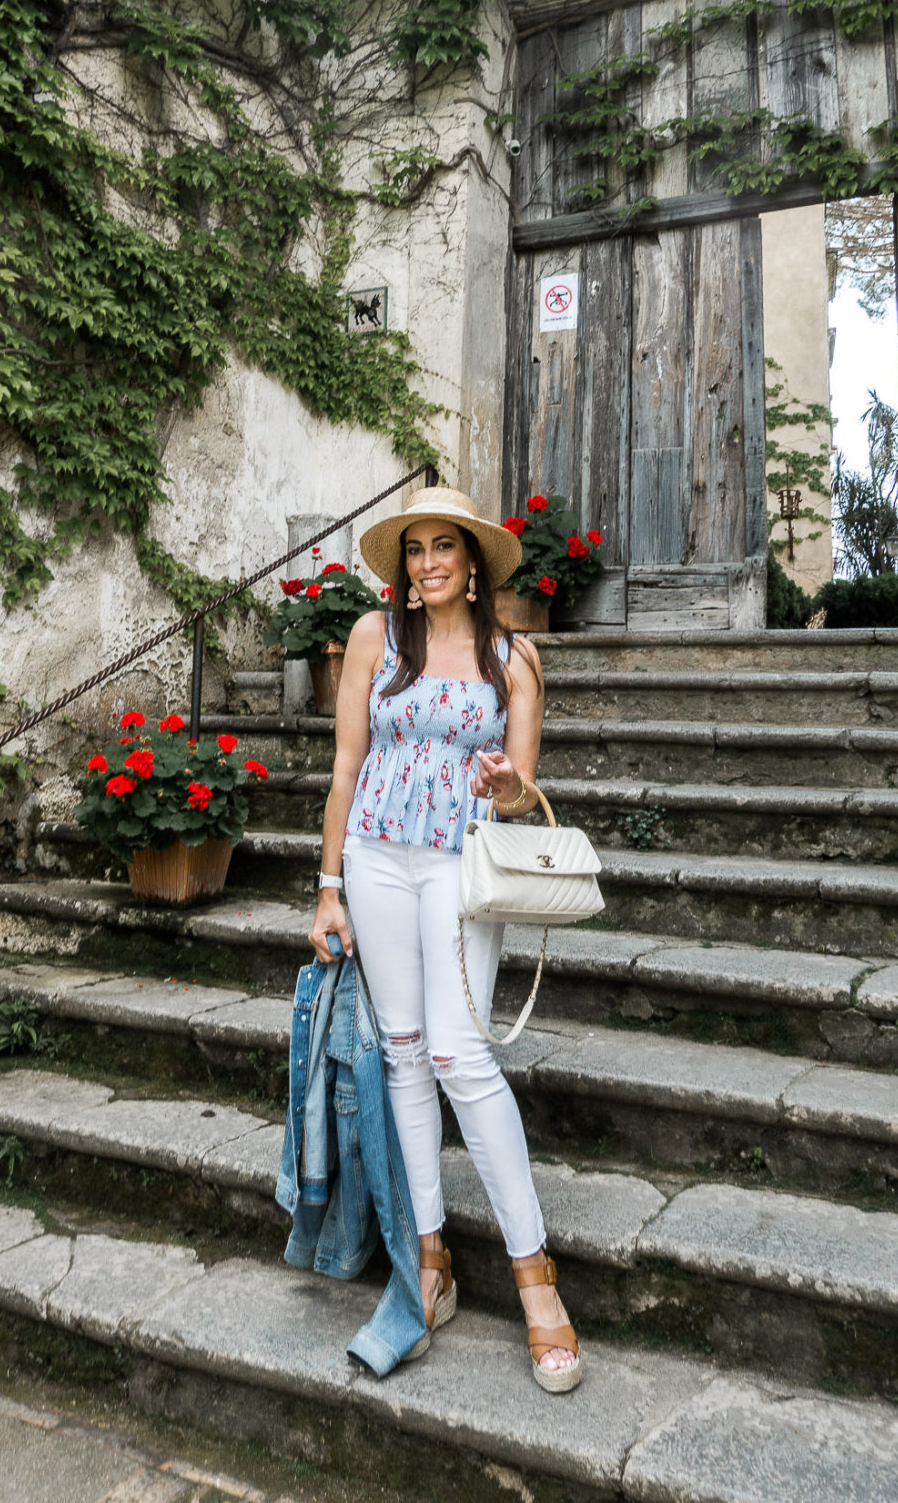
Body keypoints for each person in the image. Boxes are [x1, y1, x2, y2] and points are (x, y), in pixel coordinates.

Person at [307, 485, 582, 1392]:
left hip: (460, 869)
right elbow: (347, 765)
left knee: (462, 1059)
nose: (424, 565)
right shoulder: (370, 640)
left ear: (473, 564)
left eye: (442, 549)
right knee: (401, 1052)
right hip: (378, 860)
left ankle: (535, 1277)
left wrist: (502, 782)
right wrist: (328, 888)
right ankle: (428, 1260)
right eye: (412, 551)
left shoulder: (515, 661)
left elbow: (520, 795)